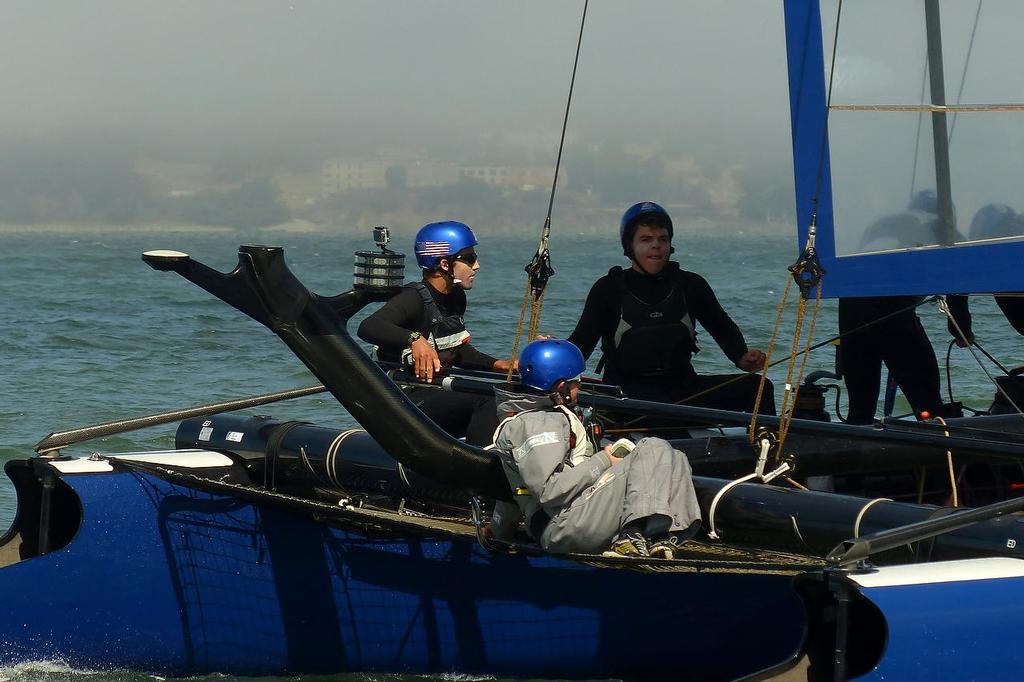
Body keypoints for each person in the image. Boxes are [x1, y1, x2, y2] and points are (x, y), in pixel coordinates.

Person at [490, 339, 703, 559]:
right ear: (562, 386)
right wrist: (604, 460)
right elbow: (548, 491)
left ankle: (661, 536)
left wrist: (499, 530)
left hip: (573, 515)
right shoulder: (537, 425)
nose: (579, 388)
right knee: (653, 446)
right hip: (562, 525)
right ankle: (631, 534)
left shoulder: (532, 421)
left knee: (673, 455)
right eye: (577, 382)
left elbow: (515, 489)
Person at [566, 201, 774, 414]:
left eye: (663, 239)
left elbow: (722, 327)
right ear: (629, 246)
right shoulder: (608, 288)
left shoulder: (691, 285)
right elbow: (582, 342)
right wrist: (554, 354)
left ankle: (769, 445)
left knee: (759, 388)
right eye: (646, 239)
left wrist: (741, 357)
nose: (656, 245)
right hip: (627, 396)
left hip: (683, 390)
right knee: (657, 406)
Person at [357, 220, 512, 446]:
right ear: (444, 264)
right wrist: (414, 339)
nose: (476, 265)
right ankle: (483, 466)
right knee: (485, 397)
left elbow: (455, 351)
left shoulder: (457, 298)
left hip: (433, 394)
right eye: (469, 258)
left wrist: (498, 365)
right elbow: (368, 327)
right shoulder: (413, 298)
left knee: (508, 389)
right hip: (402, 403)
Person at [838, 191, 965, 424]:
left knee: (860, 408)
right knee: (927, 405)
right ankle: (937, 448)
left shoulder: (881, 223)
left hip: (849, 308)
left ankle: (856, 444)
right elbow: (959, 283)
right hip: (892, 311)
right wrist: (961, 332)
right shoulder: (944, 229)